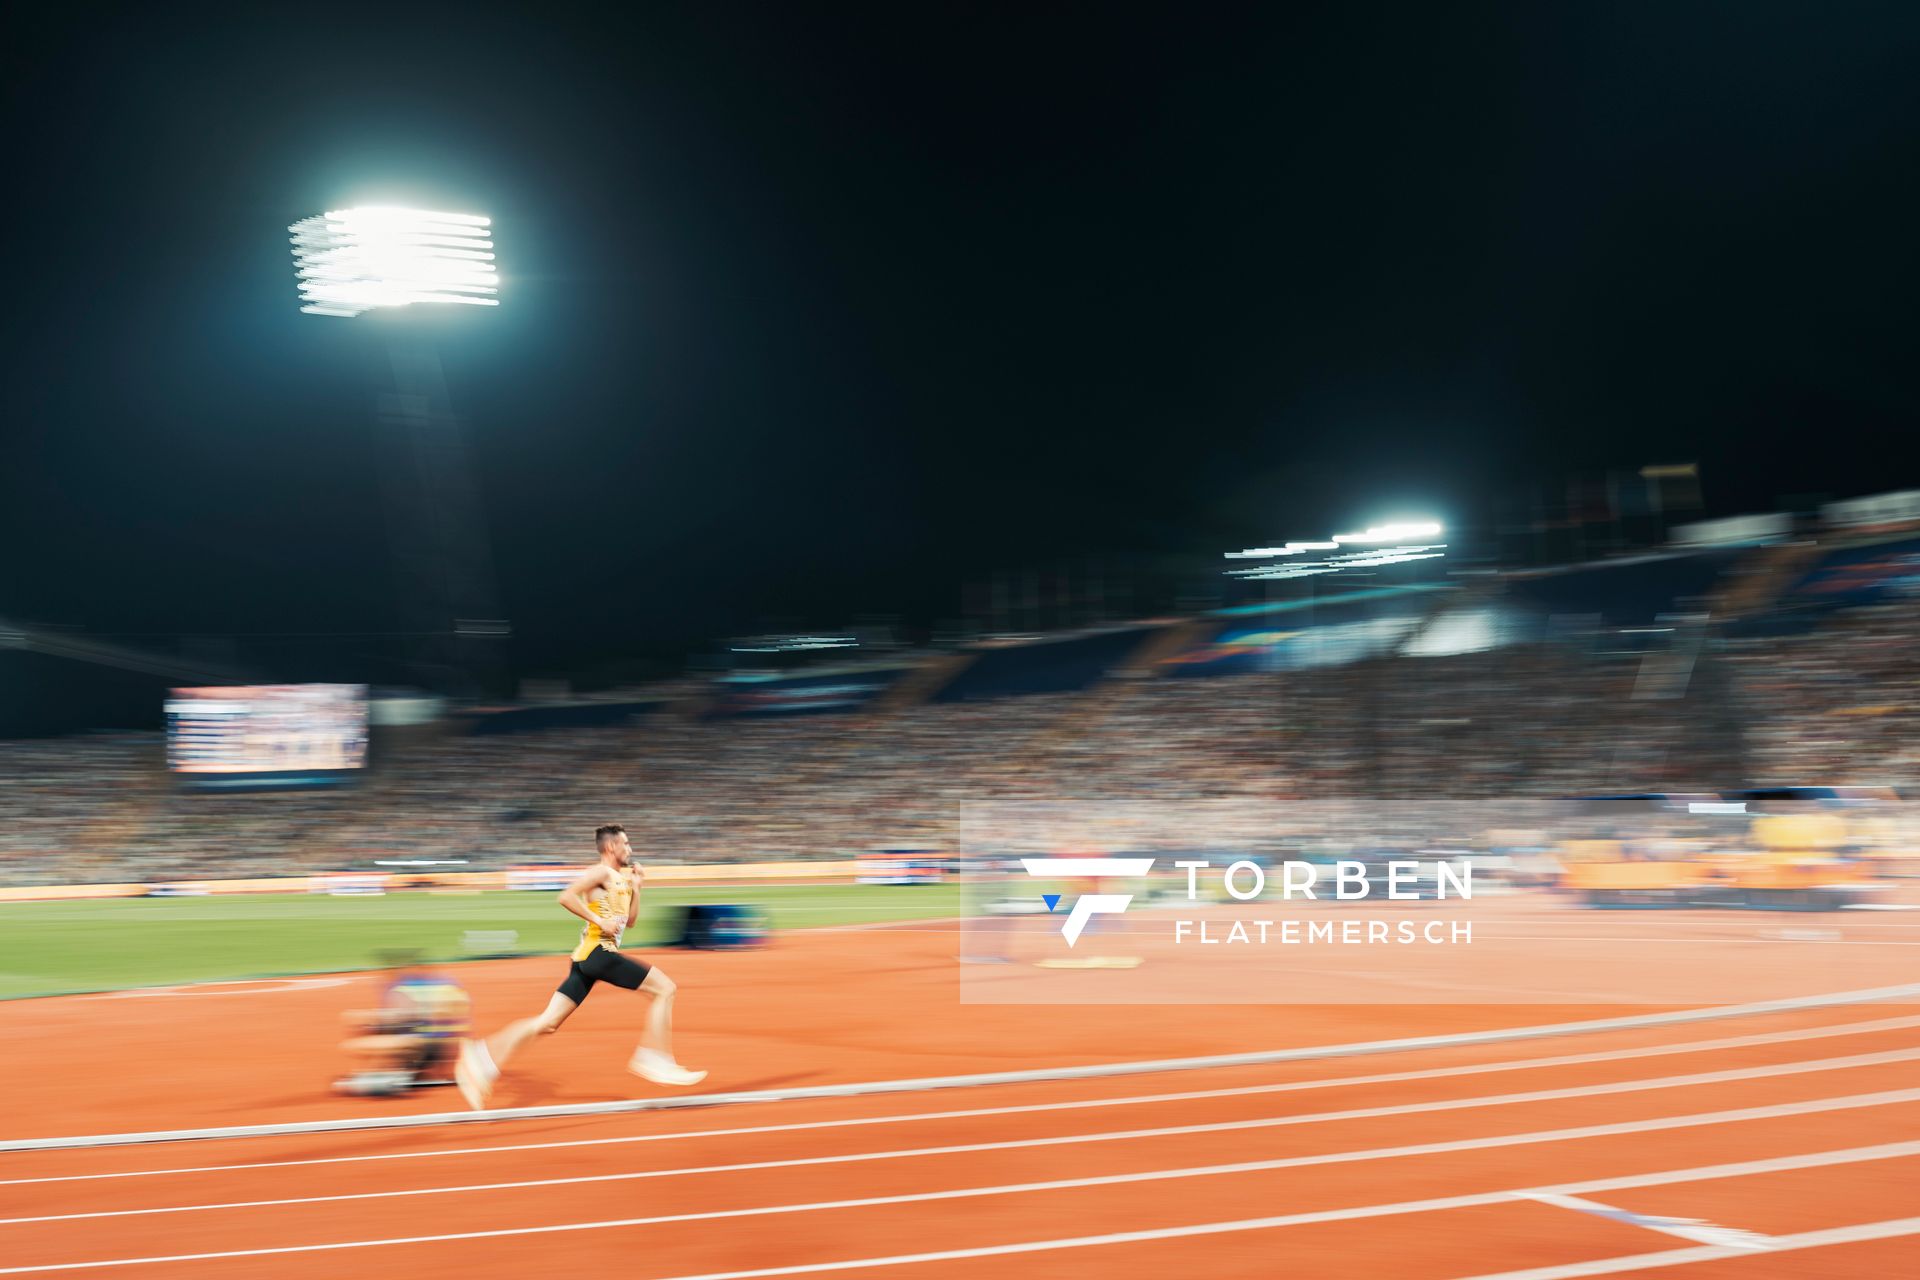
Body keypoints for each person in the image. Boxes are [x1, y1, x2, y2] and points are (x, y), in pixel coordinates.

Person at [455, 823, 705, 1109]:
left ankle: (480, 1059)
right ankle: (655, 1058)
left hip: (587, 960)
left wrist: (637, 888)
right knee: (664, 989)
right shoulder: (600, 872)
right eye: (625, 843)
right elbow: (566, 896)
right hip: (599, 954)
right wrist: (598, 921)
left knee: (547, 1023)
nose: (630, 849)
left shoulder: (620, 881)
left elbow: (630, 922)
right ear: (610, 847)